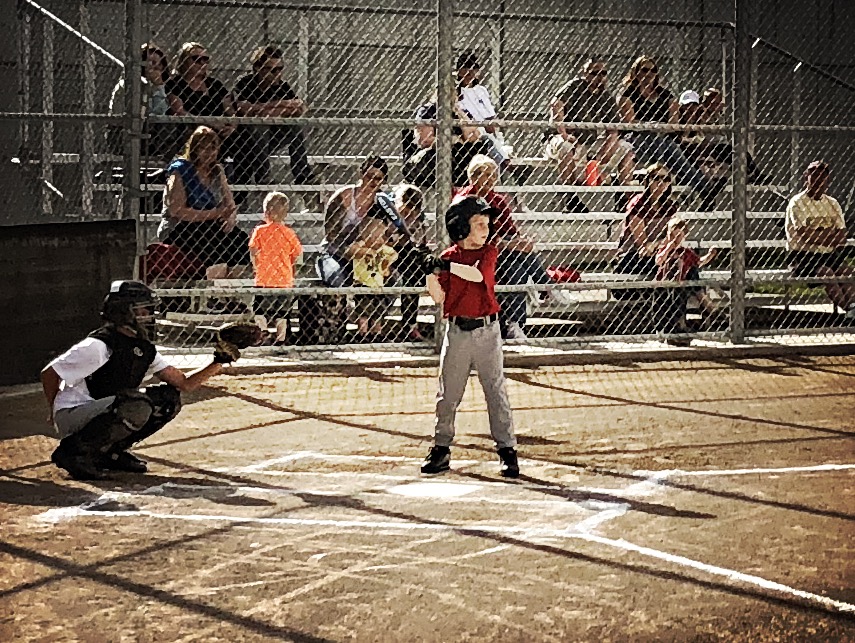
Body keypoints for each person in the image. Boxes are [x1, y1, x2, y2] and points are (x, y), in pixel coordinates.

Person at [40, 280, 246, 480]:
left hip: (102, 409)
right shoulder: (99, 345)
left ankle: (108, 453)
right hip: (73, 413)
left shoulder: (143, 348)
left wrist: (219, 361)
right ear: (123, 311)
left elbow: (185, 384)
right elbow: (50, 373)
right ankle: (73, 452)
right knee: (136, 406)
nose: (149, 315)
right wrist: (53, 410)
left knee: (167, 400)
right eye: (143, 309)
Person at [421, 195, 519, 478]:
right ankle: (441, 448)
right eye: (478, 224)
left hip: (487, 331)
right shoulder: (449, 257)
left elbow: (476, 276)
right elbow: (439, 297)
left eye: (486, 224)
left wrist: (444, 266)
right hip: (457, 333)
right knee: (448, 395)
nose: (485, 229)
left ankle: (507, 450)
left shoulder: (488, 253)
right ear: (461, 227)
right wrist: (429, 272)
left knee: (495, 392)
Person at [456, 155, 552, 340]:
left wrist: (522, 241)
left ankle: (515, 324)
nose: (491, 180)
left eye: (493, 176)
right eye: (485, 175)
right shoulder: (465, 200)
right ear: (473, 177)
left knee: (516, 269)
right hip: (474, 254)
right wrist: (511, 243)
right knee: (514, 258)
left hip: (502, 253)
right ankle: (546, 287)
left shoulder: (497, 200)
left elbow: (511, 230)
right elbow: (477, 238)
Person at [617, 55, 721, 210]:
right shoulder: (628, 94)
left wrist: (653, 126)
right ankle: (704, 188)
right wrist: (653, 125)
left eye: (653, 70)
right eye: (644, 70)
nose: (649, 74)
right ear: (636, 72)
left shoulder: (665, 95)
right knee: (662, 144)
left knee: (666, 145)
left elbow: (673, 124)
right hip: (636, 139)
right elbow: (630, 122)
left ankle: (704, 191)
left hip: (661, 139)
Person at [158, 126, 250, 283]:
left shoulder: (217, 171)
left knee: (240, 240)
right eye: (204, 148)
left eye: (213, 148)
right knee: (211, 244)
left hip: (209, 224)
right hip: (181, 227)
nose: (209, 153)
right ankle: (210, 285)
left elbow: (230, 204)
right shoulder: (181, 170)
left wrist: (230, 219)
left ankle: (229, 286)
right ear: (194, 149)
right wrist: (216, 213)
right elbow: (177, 211)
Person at [232, 45, 318, 209]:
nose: (276, 74)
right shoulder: (245, 83)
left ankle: (302, 176)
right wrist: (281, 106)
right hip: (245, 140)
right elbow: (245, 109)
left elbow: (299, 108)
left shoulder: (282, 86)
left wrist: (263, 109)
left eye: (279, 69)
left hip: (270, 139)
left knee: (295, 126)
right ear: (258, 68)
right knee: (259, 126)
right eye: (271, 70)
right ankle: (263, 176)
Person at [545, 57, 635, 193]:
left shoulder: (605, 96)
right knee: (565, 147)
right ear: (585, 73)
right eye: (594, 73)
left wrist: (607, 148)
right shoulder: (575, 86)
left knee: (626, 148)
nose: (599, 77)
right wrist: (564, 134)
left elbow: (613, 129)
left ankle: (625, 196)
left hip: (588, 142)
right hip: (561, 137)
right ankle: (570, 194)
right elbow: (556, 105)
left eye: (603, 73)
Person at [785, 161, 855, 318]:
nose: (818, 179)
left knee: (848, 271)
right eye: (814, 174)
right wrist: (829, 234)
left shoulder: (832, 203)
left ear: (827, 179)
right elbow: (805, 236)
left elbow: (842, 237)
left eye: (822, 175)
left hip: (827, 254)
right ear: (806, 177)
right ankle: (849, 310)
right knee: (826, 272)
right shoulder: (797, 202)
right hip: (802, 254)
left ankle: (852, 306)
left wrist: (818, 235)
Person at [316, 155, 391, 287]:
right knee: (336, 276)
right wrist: (349, 250)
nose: (373, 182)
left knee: (393, 280)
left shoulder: (383, 202)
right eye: (370, 176)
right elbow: (331, 234)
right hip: (336, 252)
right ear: (361, 174)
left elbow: (384, 234)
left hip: (367, 254)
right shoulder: (344, 196)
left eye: (378, 178)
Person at [614, 162, 678, 298]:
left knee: (682, 260)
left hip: (660, 253)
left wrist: (656, 244)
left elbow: (675, 236)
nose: (661, 183)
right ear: (648, 181)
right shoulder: (638, 204)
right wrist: (663, 244)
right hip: (633, 256)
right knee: (670, 264)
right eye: (656, 178)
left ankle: (696, 301)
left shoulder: (669, 206)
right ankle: (701, 301)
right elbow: (642, 245)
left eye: (665, 179)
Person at [654, 215, 720, 341]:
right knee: (663, 307)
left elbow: (699, 262)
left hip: (680, 285)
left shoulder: (686, 252)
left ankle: (678, 328)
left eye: (679, 236)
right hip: (664, 285)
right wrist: (668, 248)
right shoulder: (664, 248)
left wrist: (710, 255)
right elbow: (659, 260)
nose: (675, 239)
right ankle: (664, 330)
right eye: (672, 236)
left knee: (680, 300)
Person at [249, 191, 303, 344]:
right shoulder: (289, 233)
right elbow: (297, 254)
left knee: (259, 310)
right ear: (285, 213)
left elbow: (253, 250)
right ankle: (281, 339)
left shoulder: (260, 231)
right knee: (282, 313)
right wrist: (293, 271)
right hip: (284, 280)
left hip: (264, 278)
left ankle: (263, 333)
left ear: (266, 212)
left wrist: (255, 266)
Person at [166, 42, 238, 156]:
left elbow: (230, 110)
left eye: (205, 59)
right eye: (196, 59)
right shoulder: (175, 84)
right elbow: (179, 111)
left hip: (220, 129)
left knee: (240, 136)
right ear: (184, 61)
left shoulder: (215, 84)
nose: (202, 63)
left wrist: (232, 126)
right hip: (193, 128)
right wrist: (211, 124)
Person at [108, 43, 176, 157]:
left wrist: (158, 86)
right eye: (151, 62)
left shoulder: (164, 86)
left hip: (152, 131)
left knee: (167, 124)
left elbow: (160, 112)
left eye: (159, 64)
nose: (155, 67)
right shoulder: (126, 85)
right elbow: (147, 112)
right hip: (123, 131)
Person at [454, 51, 512, 172]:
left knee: (493, 138)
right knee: (486, 137)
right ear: (459, 72)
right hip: (471, 131)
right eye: (465, 69)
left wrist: (493, 129)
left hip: (486, 129)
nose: (469, 73)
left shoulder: (481, 90)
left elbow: (490, 116)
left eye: (473, 70)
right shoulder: (456, 92)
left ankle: (506, 164)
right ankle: (508, 166)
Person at [390, 184, 431, 341]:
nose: (409, 212)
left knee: (415, 271)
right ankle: (408, 325)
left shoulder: (419, 217)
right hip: (387, 252)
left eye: (413, 209)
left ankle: (410, 326)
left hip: (408, 254)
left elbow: (421, 242)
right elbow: (386, 238)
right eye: (406, 207)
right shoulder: (389, 211)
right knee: (410, 270)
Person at [352, 212, 399, 336]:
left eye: (382, 237)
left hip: (378, 285)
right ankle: (363, 334)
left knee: (378, 313)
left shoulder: (382, 249)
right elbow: (354, 250)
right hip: (362, 285)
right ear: (366, 236)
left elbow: (394, 254)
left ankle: (376, 334)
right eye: (377, 237)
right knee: (364, 313)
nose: (381, 240)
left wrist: (386, 263)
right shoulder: (361, 247)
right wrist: (368, 251)